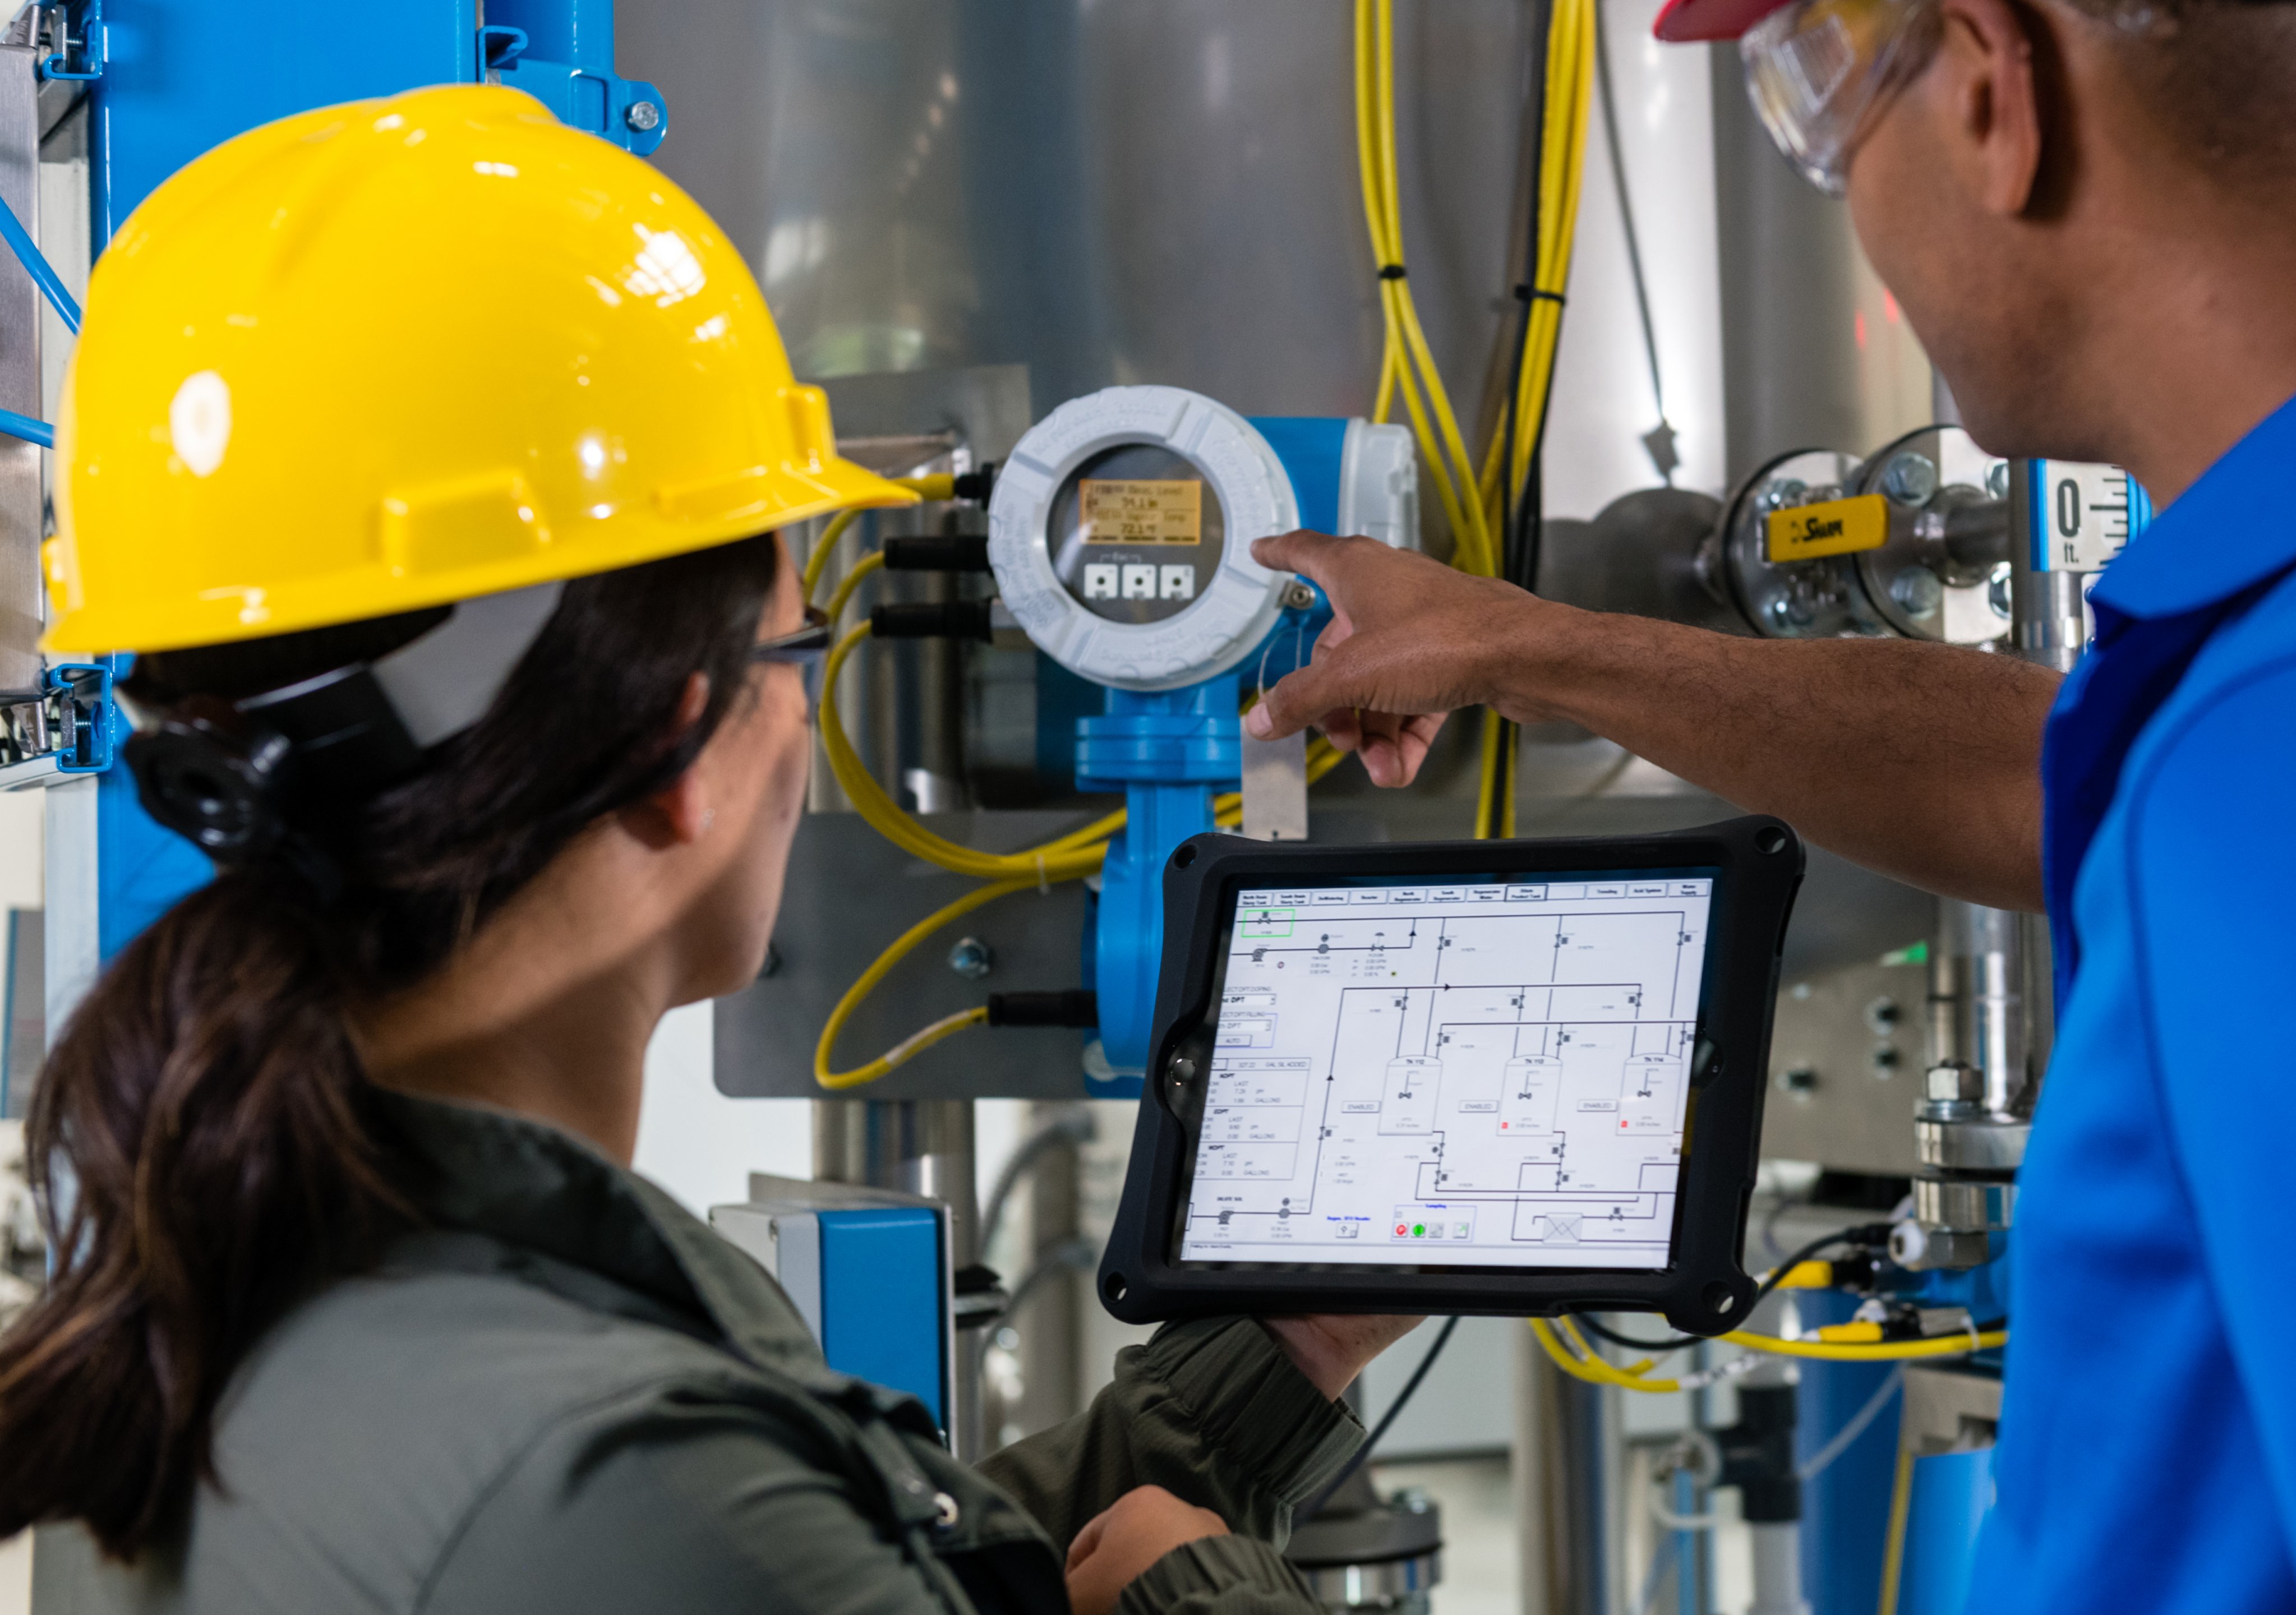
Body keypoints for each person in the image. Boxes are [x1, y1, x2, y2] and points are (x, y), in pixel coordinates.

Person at [1244, 0, 2296, 1610]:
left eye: (1817, 104)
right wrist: (1537, 649)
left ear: (1990, 90)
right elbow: (2072, 776)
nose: (1844, 193)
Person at [0, 85, 1408, 1615]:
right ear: (680, 752)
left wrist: (1285, 1349)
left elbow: (870, 1567)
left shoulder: (248, 1258)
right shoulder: (606, 1469)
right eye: (805, 646)